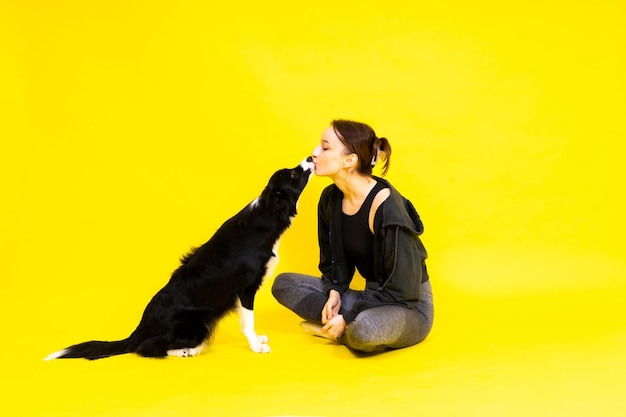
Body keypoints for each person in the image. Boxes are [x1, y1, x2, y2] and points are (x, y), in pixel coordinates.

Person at [271, 119, 434, 353]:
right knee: (285, 284)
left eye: (325, 148)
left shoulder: (388, 208)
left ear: (350, 160)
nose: (315, 153)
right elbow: (334, 262)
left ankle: (341, 331)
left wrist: (347, 318)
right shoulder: (330, 199)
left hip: (408, 307)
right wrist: (335, 292)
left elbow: (403, 290)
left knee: (363, 329)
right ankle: (342, 326)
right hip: (368, 299)